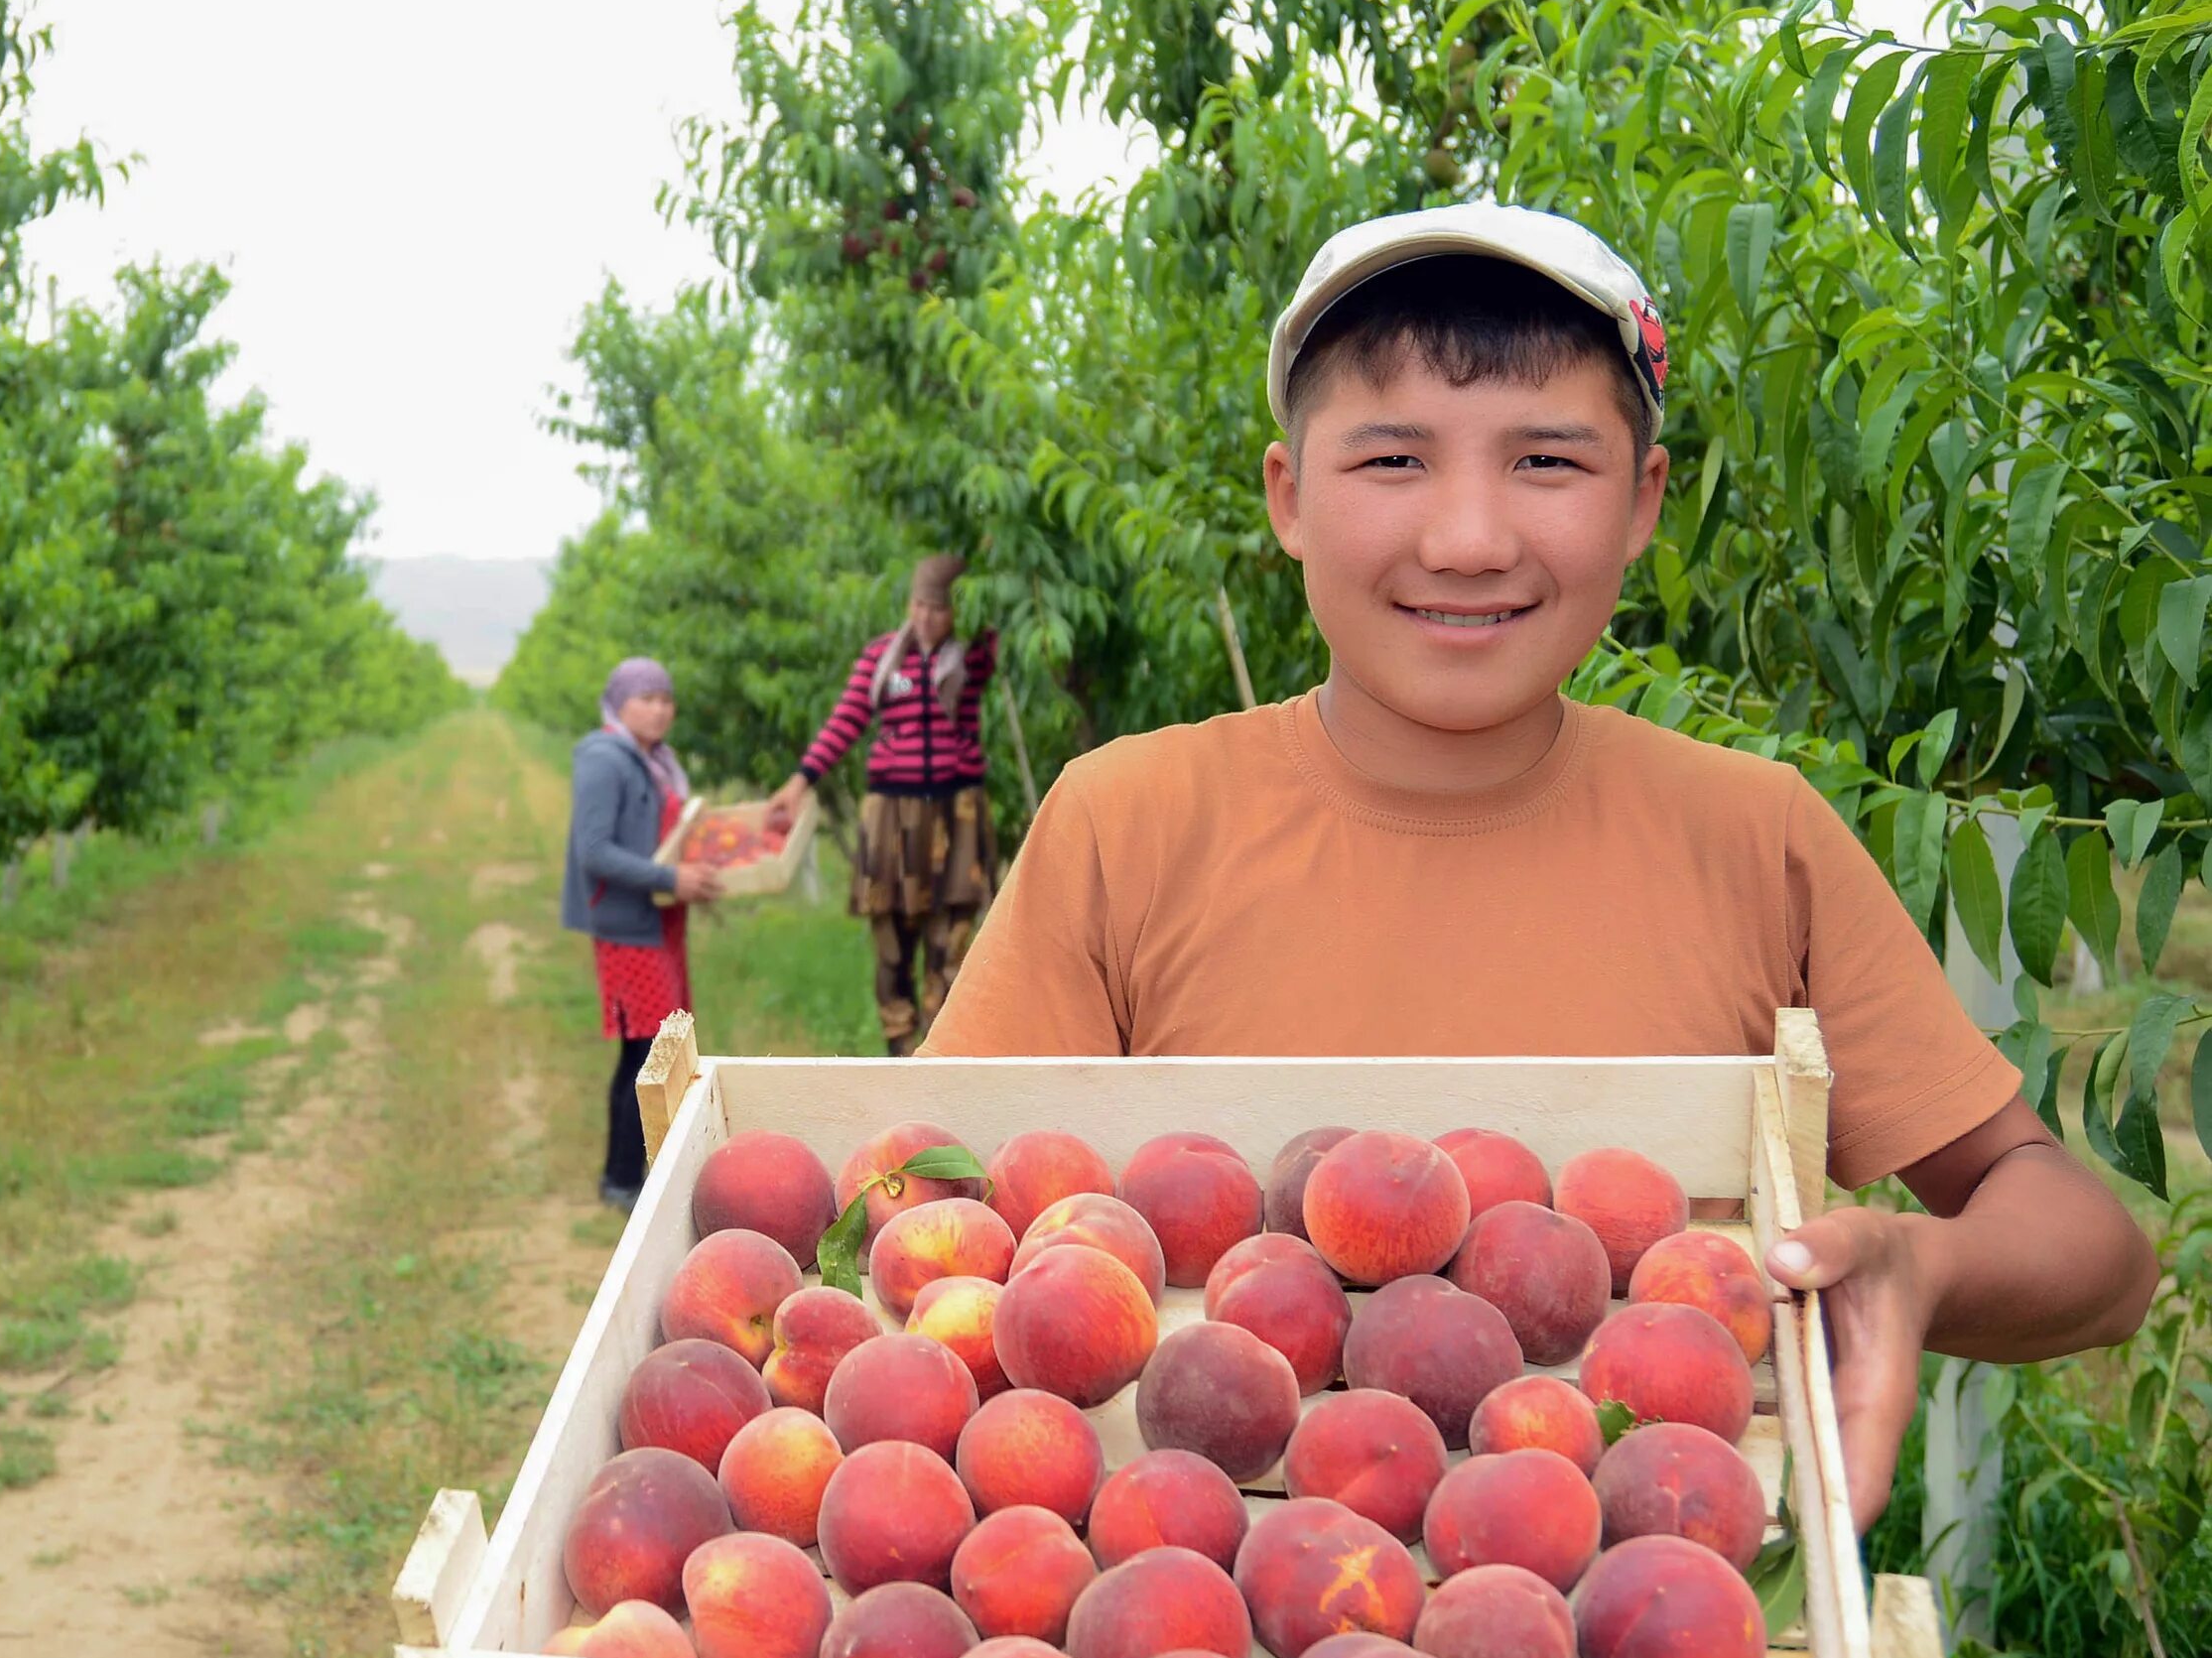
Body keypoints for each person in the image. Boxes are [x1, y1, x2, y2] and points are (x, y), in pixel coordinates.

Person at [922, 200, 2157, 1528]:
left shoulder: (1753, 840)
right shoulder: (1131, 826)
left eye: (1548, 462)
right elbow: (926, 1212)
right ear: (1288, 498)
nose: (1468, 538)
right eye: (1393, 459)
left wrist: (1916, 1266)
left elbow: (2091, 1250)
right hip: (1181, 1605)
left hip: (1630, 1607)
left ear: (1643, 503)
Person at [763, 556, 998, 1056]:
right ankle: (899, 1049)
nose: (926, 617)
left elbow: (1008, 612)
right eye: (918, 605)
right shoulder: (882, 659)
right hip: (892, 815)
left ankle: (942, 1052)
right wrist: (801, 781)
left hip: (956, 812)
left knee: (952, 935)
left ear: (957, 611)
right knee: (892, 935)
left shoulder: (974, 656)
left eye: (939, 608)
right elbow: (846, 720)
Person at [565, 657, 722, 1209]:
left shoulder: (654, 760)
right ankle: (622, 1178)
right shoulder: (605, 759)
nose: (659, 709)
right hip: (628, 927)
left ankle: (640, 1172)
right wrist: (670, 879)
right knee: (646, 1053)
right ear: (619, 704)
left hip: (659, 922)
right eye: (646, 698)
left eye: (665, 699)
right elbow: (595, 851)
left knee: (660, 1047)